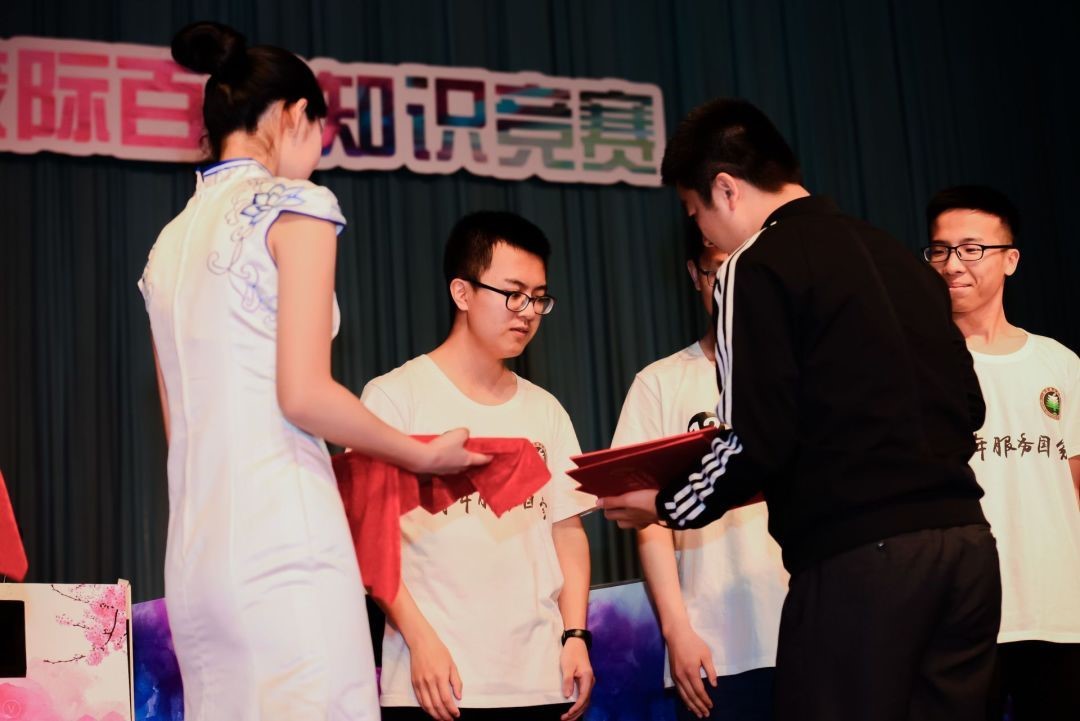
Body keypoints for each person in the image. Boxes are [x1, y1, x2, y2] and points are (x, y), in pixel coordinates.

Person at [597, 98, 1001, 721]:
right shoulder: (901, 259)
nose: (703, 231)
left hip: (861, 560)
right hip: (968, 550)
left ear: (725, 189)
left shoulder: (752, 266)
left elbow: (756, 439)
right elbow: (969, 407)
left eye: (695, 211)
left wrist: (667, 502)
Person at [140, 22, 487, 721]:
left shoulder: (167, 245)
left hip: (196, 558)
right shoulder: (297, 204)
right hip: (285, 545)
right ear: (296, 115)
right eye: (319, 132)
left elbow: (181, 429)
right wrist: (421, 453)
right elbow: (303, 394)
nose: (317, 153)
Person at [361, 211, 595, 721]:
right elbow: (369, 541)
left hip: (541, 682)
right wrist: (420, 641)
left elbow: (567, 530)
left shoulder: (546, 410)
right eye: (513, 294)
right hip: (437, 685)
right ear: (462, 292)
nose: (527, 312)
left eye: (538, 297)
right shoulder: (395, 398)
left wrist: (575, 634)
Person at [611, 224, 787, 720]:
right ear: (695, 275)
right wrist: (677, 631)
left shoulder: (799, 375)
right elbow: (646, 520)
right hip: (713, 649)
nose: (733, 289)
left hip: (808, 631)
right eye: (718, 274)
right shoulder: (660, 383)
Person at [924, 185, 1080, 720]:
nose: (952, 264)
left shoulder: (1059, 363)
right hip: (957, 616)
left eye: (972, 249)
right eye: (940, 250)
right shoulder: (916, 366)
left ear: (1010, 260)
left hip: (1058, 613)